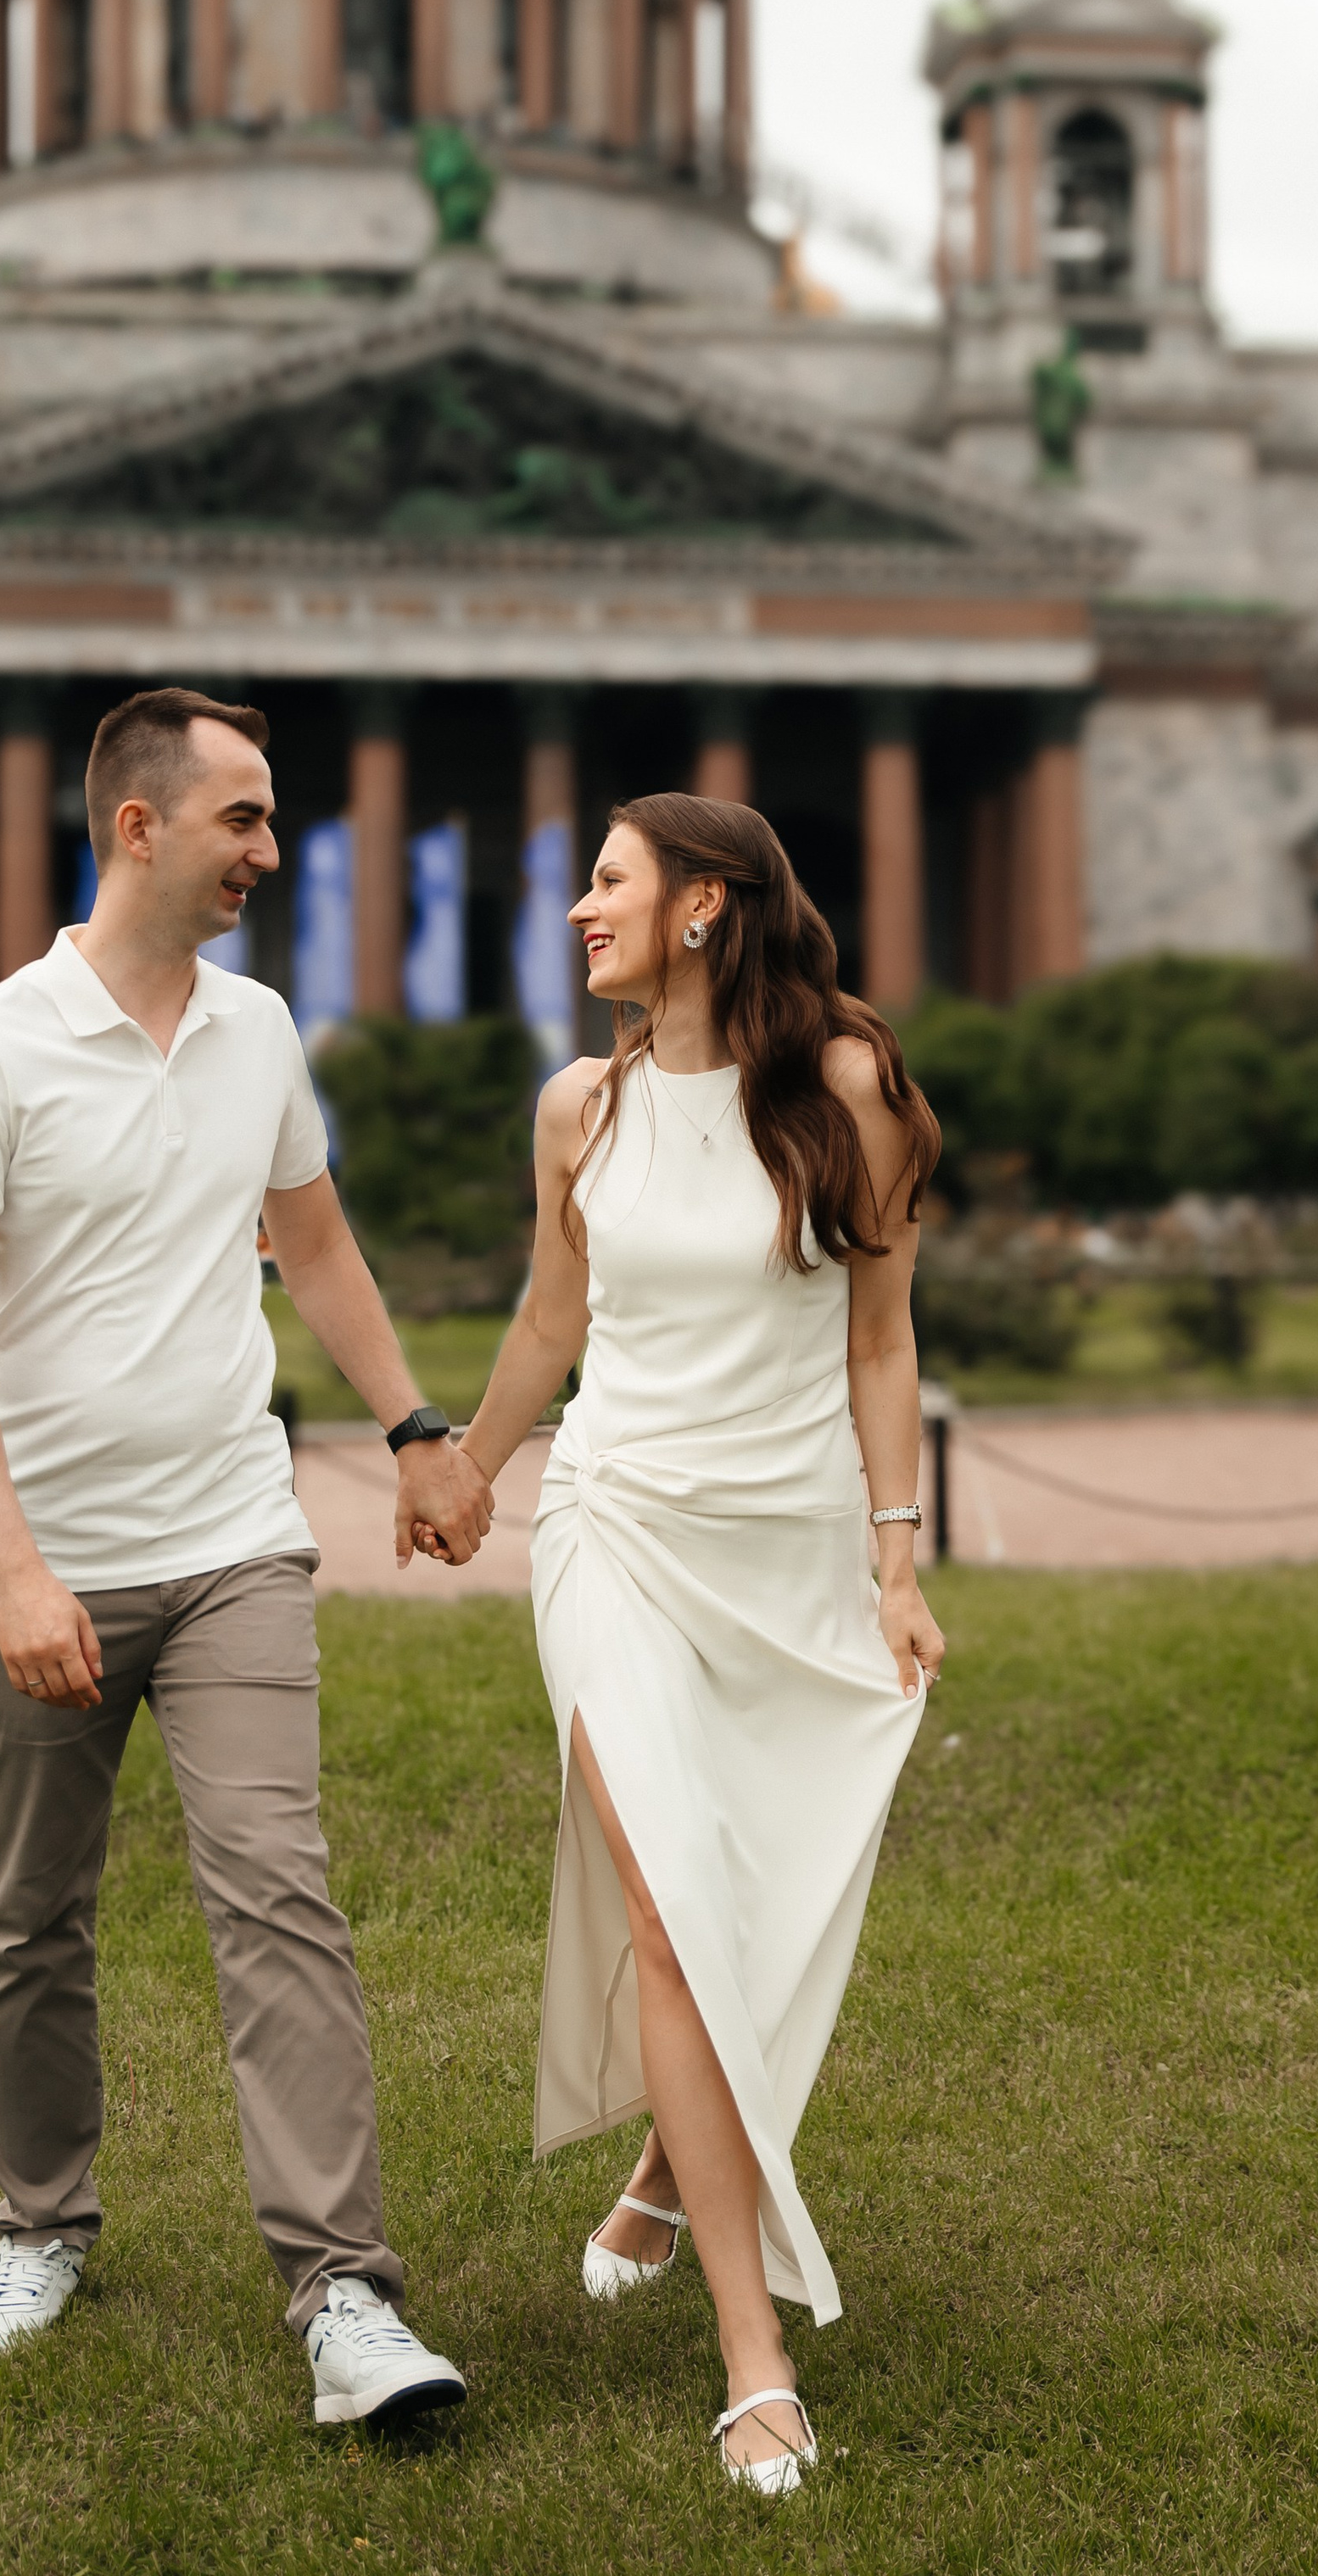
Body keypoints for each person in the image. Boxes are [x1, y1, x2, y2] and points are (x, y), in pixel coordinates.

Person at [0, 686, 485, 2432]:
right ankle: (40, 2223)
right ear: (137, 824)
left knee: (277, 1900)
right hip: (40, 1564)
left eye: (273, 813)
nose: (270, 851)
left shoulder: (259, 1031)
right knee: (28, 1924)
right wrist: (12, 1567)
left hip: (236, 1541)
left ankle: (343, 2292)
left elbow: (314, 1244)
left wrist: (413, 1427)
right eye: (241, 815)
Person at [450, 793, 946, 2496]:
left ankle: (669, 2163)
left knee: (755, 1892)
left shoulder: (844, 1090)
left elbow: (878, 1344)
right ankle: (753, 2353)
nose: (576, 909)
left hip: (792, 1550)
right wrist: (466, 1467)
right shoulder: (573, 1107)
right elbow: (549, 1320)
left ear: (701, 904)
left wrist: (894, 1561)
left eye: (605, 882)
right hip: (613, 1531)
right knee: (669, 1901)